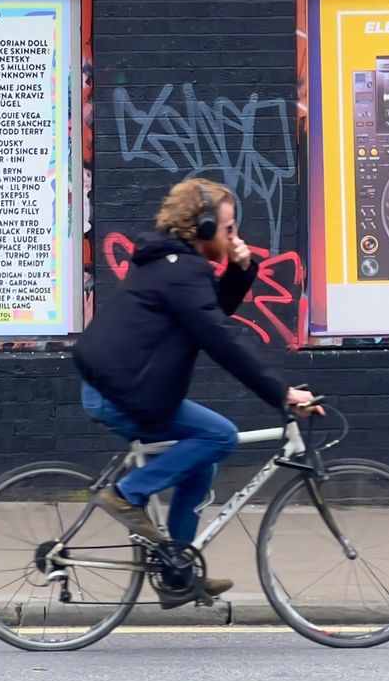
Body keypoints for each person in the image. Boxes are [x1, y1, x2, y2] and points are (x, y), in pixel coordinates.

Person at [73, 177, 318, 607]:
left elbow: (211, 314)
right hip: (122, 392)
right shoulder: (180, 270)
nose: (234, 237)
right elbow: (222, 338)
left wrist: (243, 269)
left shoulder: (177, 266)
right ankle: (128, 494)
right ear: (202, 228)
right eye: (228, 229)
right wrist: (281, 393)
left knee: (200, 466)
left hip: (128, 385)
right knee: (218, 436)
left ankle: (176, 572)